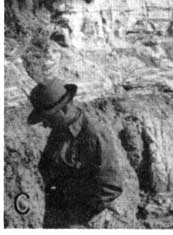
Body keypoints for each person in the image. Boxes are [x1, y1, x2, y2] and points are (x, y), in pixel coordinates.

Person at [27, 79, 124, 228]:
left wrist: (74, 218)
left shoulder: (95, 134)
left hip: (84, 220)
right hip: (58, 212)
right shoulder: (59, 131)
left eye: (48, 118)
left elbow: (110, 188)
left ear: (63, 110)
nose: (45, 125)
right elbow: (46, 170)